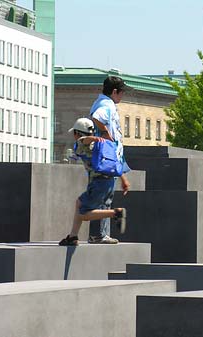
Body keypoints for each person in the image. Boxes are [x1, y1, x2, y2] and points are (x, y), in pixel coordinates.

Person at [59, 118, 127, 246]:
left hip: (98, 183)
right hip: (109, 182)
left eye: (74, 133)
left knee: (83, 213)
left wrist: (93, 139)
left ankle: (116, 213)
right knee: (79, 203)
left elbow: (83, 140)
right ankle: (73, 236)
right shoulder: (101, 144)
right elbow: (115, 162)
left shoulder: (82, 143)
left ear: (78, 133)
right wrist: (124, 180)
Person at [88, 76, 130, 244]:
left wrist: (122, 176)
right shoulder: (106, 104)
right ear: (114, 92)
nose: (122, 96)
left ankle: (101, 233)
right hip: (104, 158)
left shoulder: (107, 103)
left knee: (105, 196)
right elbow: (96, 116)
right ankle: (100, 234)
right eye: (121, 93)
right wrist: (105, 133)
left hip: (108, 159)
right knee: (103, 197)